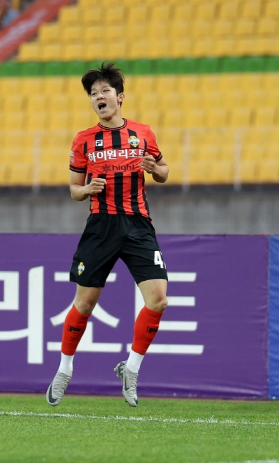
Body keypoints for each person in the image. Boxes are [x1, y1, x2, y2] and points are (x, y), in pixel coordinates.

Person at [45, 63, 170, 408]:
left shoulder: (143, 133)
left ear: (120, 97)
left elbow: (163, 170)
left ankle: (130, 369)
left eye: (104, 91)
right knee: (84, 304)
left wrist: (154, 169)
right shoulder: (84, 140)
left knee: (158, 299)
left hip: (138, 224)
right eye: (93, 93)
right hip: (101, 226)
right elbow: (73, 189)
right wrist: (87, 189)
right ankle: (65, 368)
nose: (98, 97)